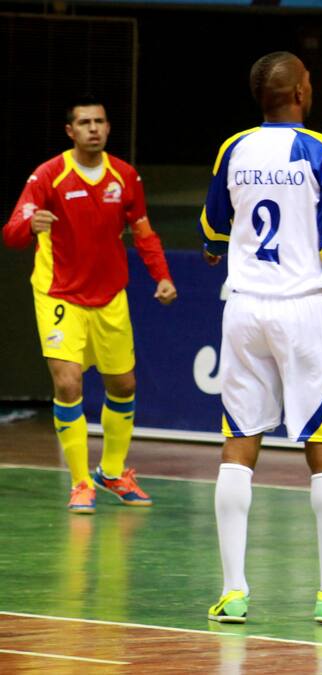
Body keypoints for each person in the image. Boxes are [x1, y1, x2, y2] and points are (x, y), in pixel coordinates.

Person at [200, 51, 322, 625]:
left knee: (239, 445)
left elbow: (213, 229)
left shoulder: (234, 149)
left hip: (245, 310)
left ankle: (233, 592)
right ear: (302, 92)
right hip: (304, 311)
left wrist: (220, 250)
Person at [3, 96, 176, 514]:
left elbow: (143, 231)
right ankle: (80, 482)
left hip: (109, 296)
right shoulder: (48, 176)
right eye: (84, 122)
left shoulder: (125, 176)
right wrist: (30, 224)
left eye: (99, 121)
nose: (93, 128)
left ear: (107, 128)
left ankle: (111, 472)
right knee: (67, 384)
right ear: (70, 131)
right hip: (59, 294)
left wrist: (163, 275)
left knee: (124, 386)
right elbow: (11, 232)